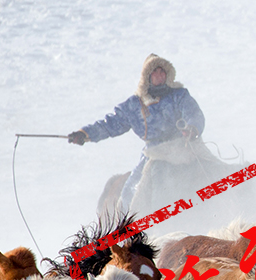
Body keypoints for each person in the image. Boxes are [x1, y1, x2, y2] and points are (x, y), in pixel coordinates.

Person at [69, 54, 205, 213]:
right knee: (130, 191)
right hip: (154, 153)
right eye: (155, 72)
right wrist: (85, 134)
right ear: (148, 76)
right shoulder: (135, 104)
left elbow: (193, 113)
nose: (160, 76)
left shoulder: (179, 95)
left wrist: (192, 128)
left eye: (163, 72)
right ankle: (136, 225)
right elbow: (111, 124)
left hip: (182, 146)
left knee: (209, 170)